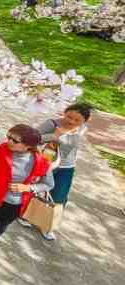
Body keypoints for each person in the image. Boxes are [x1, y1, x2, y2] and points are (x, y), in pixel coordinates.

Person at [0, 124, 54, 265]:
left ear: (28, 145)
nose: (9, 141)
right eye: (9, 137)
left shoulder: (40, 161)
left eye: (15, 141)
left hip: (16, 204)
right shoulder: (0, 149)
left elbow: (48, 184)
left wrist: (27, 188)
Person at [20, 103, 93, 241]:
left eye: (77, 120)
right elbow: (33, 139)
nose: (71, 121)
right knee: (34, 190)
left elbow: (71, 146)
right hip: (45, 163)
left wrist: (63, 138)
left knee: (59, 196)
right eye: (69, 116)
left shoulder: (82, 129)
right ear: (64, 112)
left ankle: (48, 225)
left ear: (84, 122)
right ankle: (25, 215)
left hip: (66, 167)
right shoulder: (52, 123)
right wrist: (54, 135)